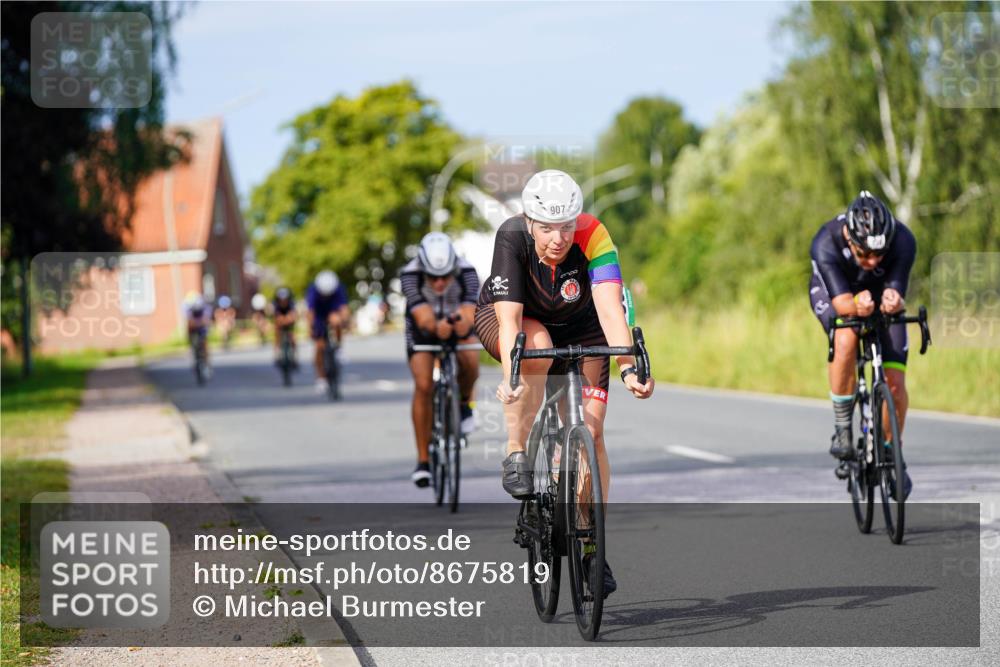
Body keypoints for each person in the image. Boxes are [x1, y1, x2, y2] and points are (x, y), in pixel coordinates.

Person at [474, 169, 654, 597]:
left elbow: (611, 310)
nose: (559, 237)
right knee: (536, 344)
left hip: (582, 327)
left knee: (591, 429)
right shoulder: (511, 236)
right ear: (530, 221)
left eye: (567, 226)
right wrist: (510, 378)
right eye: (548, 227)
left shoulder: (595, 235)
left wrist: (629, 366)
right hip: (521, 322)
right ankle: (517, 452)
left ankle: (590, 543)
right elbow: (509, 320)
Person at [809, 190, 916, 498]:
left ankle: (891, 452)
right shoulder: (826, 241)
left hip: (877, 297)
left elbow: (896, 291)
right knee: (846, 336)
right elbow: (843, 304)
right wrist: (855, 304)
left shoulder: (904, 241)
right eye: (864, 254)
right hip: (837, 294)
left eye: (878, 256)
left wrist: (894, 300)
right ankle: (843, 428)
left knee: (894, 383)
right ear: (849, 238)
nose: (871, 262)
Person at [400, 232, 481, 488]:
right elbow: (423, 318)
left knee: (470, 359)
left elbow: (470, 312)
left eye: (445, 276)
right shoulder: (410, 274)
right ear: (423, 268)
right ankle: (423, 461)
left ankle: (464, 403)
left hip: (457, 323)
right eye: (433, 277)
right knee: (424, 385)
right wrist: (437, 327)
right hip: (422, 328)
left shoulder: (467, 270)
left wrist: (458, 324)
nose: (439, 283)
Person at [306, 270, 350, 393]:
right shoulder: (313, 291)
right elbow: (310, 313)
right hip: (319, 315)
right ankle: (321, 378)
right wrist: (311, 328)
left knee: (336, 321)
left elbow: (344, 309)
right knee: (319, 346)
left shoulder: (338, 289)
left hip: (332, 311)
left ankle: (339, 348)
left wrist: (344, 321)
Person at [185, 293, 213, 376]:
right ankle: (194, 363)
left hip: (202, 330)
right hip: (193, 331)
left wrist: (202, 324)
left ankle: (207, 364)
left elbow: (206, 321)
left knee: (204, 345)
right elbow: (189, 324)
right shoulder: (189, 311)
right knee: (192, 347)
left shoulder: (204, 309)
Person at [272, 287, 298, 367]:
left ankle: (294, 356)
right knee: (277, 333)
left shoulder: (291, 304)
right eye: (281, 300)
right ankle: (277, 352)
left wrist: (289, 319)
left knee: (292, 336)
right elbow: (276, 316)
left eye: (285, 299)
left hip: (289, 321)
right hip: (280, 321)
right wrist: (281, 320)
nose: (283, 302)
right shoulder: (276, 305)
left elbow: (293, 315)